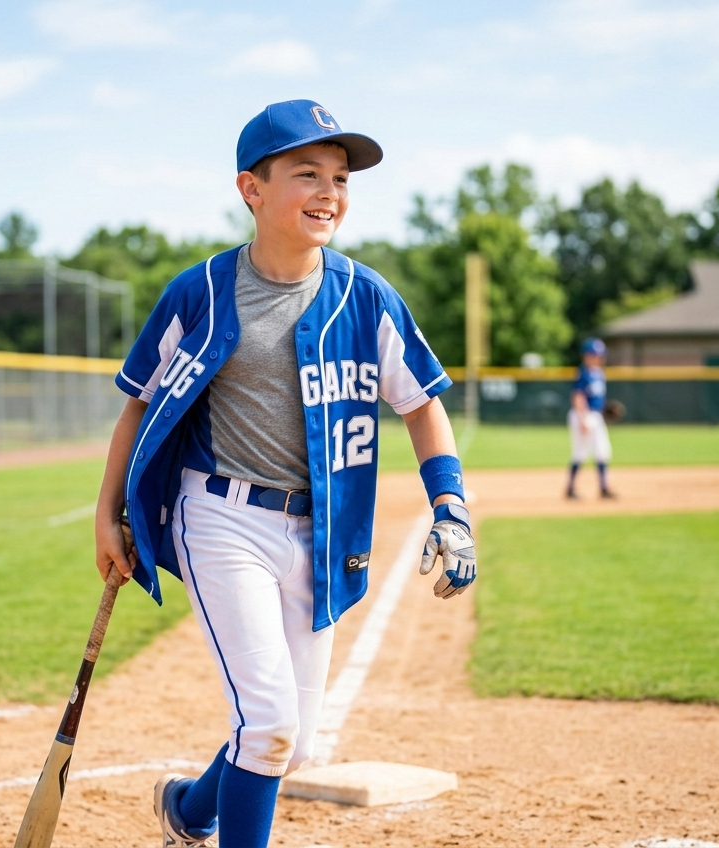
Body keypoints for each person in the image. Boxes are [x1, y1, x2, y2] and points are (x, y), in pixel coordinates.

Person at [93, 100, 476, 848]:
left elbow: (423, 407)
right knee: (267, 723)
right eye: (308, 173)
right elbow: (138, 407)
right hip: (221, 518)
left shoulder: (366, 297)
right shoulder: (199, 291)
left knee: (289, 742)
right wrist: (108, 515)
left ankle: (190, 809)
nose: (329, 190)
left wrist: (451, 506)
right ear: (252, 189)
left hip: (322, 532)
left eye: (339, 177)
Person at [566, 337, 616, 500]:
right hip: (583, 415)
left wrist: (605, 409)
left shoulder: (600, 374)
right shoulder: (584, 373)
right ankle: (570, 488)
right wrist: (582, 419)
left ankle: (603, 488)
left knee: (603, 450)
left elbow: (596, 398)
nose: (597, 358)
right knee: (580, 452)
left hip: (596, 415)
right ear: (585, 356)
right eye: (594, 355)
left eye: (600, 355)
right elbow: (578, 396)